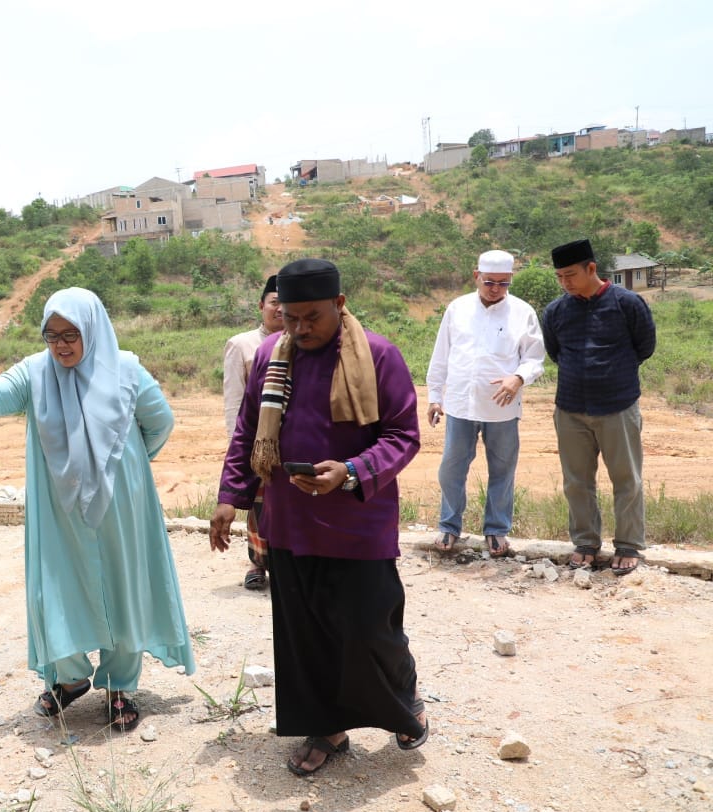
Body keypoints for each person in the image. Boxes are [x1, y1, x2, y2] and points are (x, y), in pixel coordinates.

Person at [210, 258, 425, 776]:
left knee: (371, 627)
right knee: (304, 633)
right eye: (290, 317)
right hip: (289, 520)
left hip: (358, 521)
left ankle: (403, 703)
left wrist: (350, 471)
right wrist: (229, 496)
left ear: (340, 305)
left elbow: (403, 435)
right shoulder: (268, 356)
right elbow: (247, 431)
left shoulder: (378, 355)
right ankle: (326, 728)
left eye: (312, 317)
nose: (300, 329)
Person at [0, 287, 196, 733]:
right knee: (57, 586)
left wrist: (127, 464)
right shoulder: (36, 372)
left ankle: (120, 685)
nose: (61, 344)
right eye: (52, 335)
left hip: (122, 502)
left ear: (93, 329)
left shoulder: (126, 369)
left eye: (71, 334)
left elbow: (160, 422)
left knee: (123, 586)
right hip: (58, 506)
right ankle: (70, 678)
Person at [543, 239, 656, 575]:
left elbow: (644, 347)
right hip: (570, 409)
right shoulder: (556, 311)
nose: (565, 283)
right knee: (576, 481)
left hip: (618, 407)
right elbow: (556, 353)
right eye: (559, 277)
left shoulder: (628, 304)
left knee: (627, 480)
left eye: (571, 275)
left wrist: (612, 374)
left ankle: (628, 545)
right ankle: (585, 542)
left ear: (592, 269)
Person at [426, 249, 546, 558]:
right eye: (489, 281)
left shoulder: (523, 312)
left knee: (502, 470)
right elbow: (442, 356)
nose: (495, 289)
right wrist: (435, 396)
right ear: (476, 276)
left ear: (510, 281)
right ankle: (449, 526)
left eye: (503, 283)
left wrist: (518, 378)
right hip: (460, 405)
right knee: (451, 468)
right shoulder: (457, 308)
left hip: (502, 408)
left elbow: (534, 358)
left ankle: (496, 530)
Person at [222, 275, 285, 590]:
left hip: (289, 443)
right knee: (259, 506)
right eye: (274, 302)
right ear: (262, 305)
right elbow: (235, 402)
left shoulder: (302, 343)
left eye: (286, 304)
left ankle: (286, 565)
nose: (280, 309)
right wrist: (239, 447)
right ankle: (257, 562)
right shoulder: (242, 344)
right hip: (256, 441)